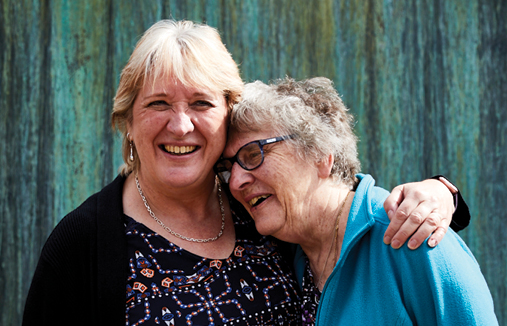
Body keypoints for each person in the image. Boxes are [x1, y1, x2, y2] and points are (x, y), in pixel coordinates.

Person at [23, 20, 469, 325]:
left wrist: (441, 192)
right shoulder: (83, 244)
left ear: (226, 116)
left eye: (200, 103)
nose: (180, 125)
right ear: (128, 120)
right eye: (158, 103)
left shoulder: (261, 210)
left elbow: (338, 199)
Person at [220, 77, 497, 325]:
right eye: (228, 167)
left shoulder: (414, 235)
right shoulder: (277, 251)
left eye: (253, 154)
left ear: (320, 154)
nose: (235, 181)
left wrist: (445, 194)